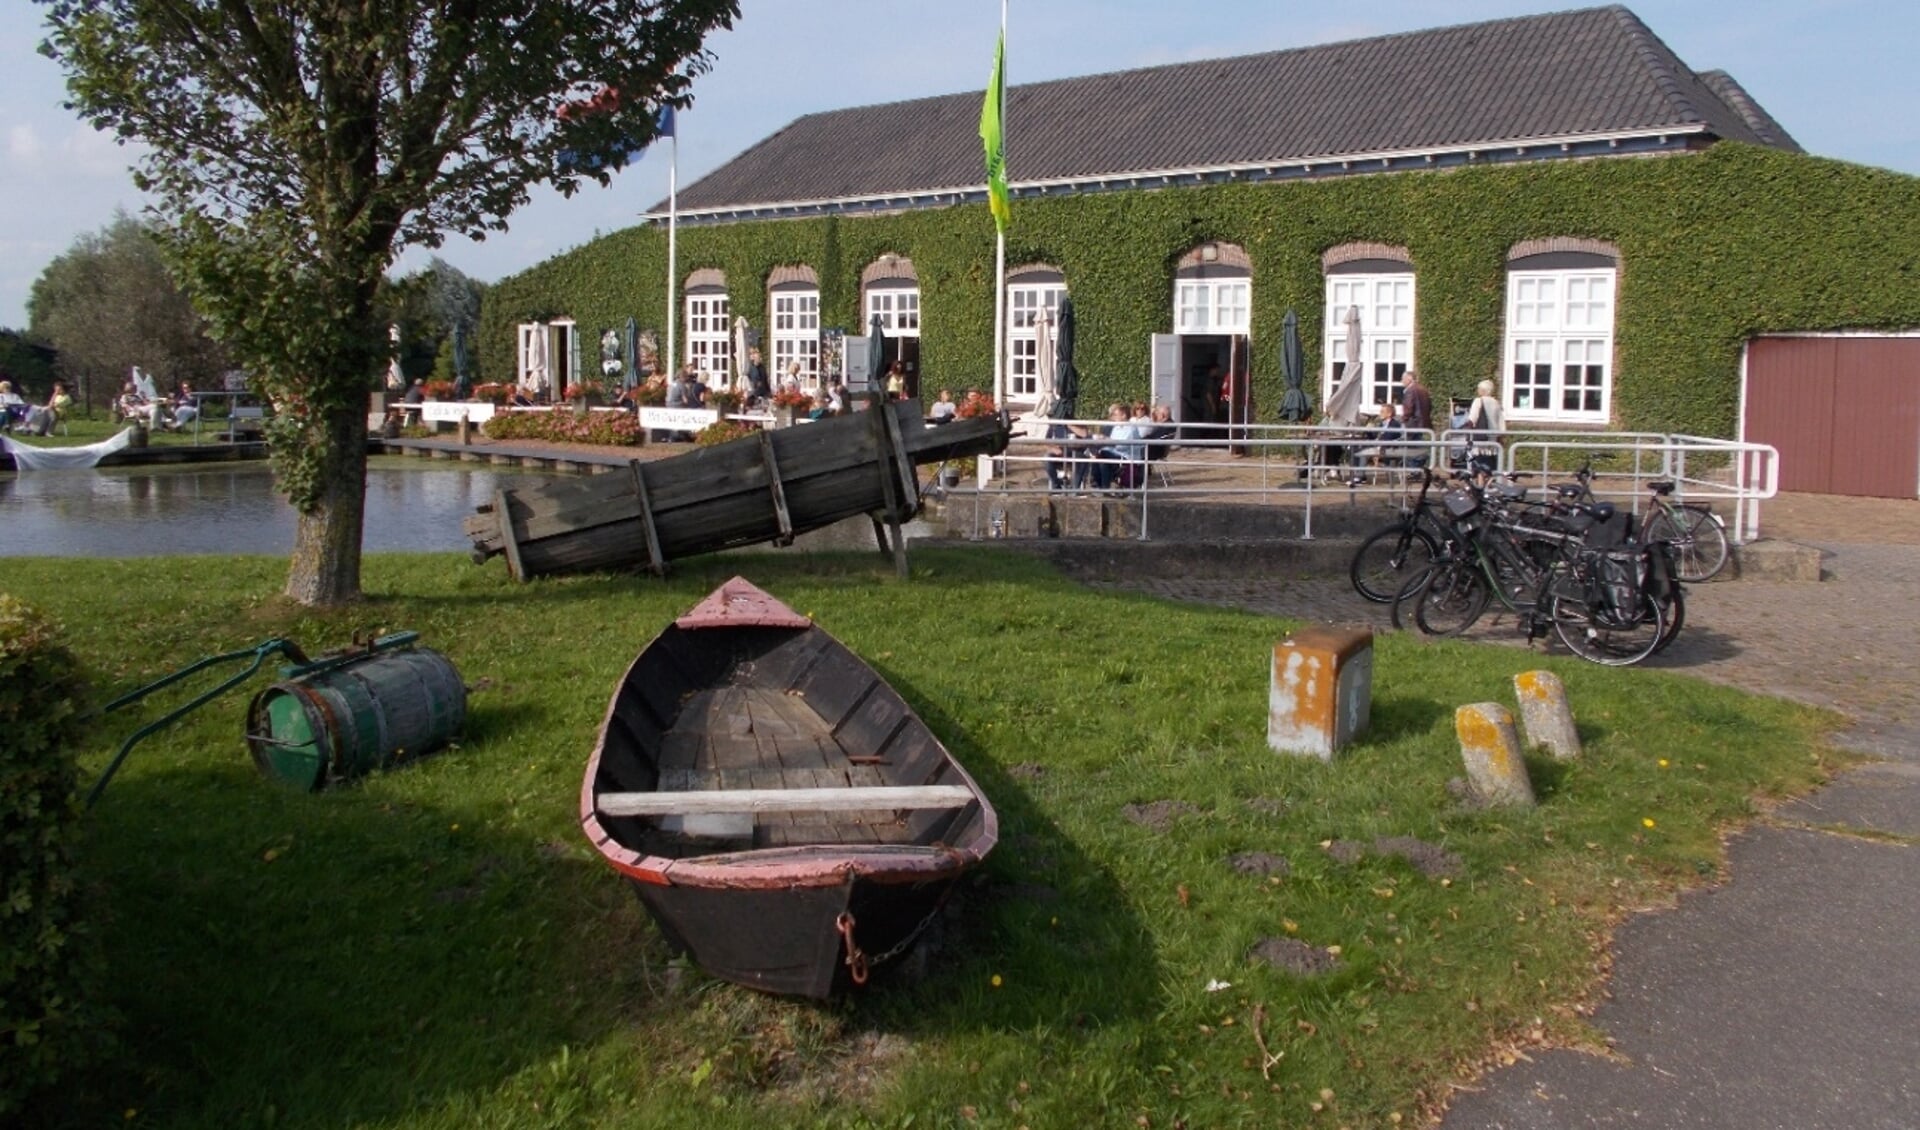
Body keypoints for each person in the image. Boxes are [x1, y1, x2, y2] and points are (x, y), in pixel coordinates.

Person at [1464, 378, 1506, 472]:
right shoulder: (1496, 403)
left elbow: (1472, 419)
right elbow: (1501, 422)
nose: (1477, 390)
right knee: (1489, 465)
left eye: (1479, 388)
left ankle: (1480, 484)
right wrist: (1501, 437)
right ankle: (1489, 483)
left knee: (1479, 463)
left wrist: (1467, 433)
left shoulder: (1478, 401)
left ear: (1483, 390)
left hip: (1480, 437)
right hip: (1493, 438)